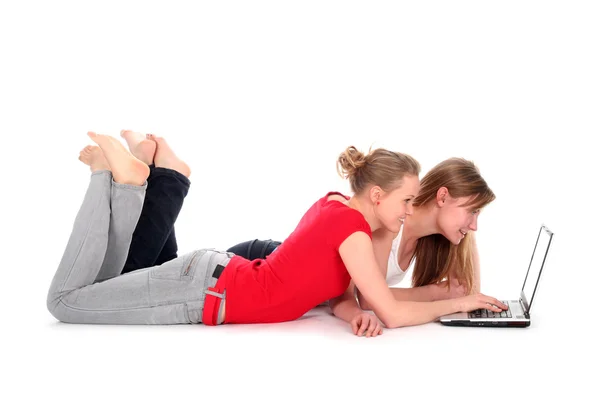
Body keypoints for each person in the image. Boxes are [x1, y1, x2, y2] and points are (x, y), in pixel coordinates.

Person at [47, 131, 507, 332]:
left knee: (106, 284)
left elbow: (351, 296)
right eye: (406, 200)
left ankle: (140, 181)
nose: (411, 209)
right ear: (376, 196)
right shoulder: (353, 230)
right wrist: (460, 302)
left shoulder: (339, 209)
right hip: (207, 290)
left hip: (211, 282)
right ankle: (110, 179)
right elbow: (388, 310)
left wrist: (362, 311)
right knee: (64, 301)